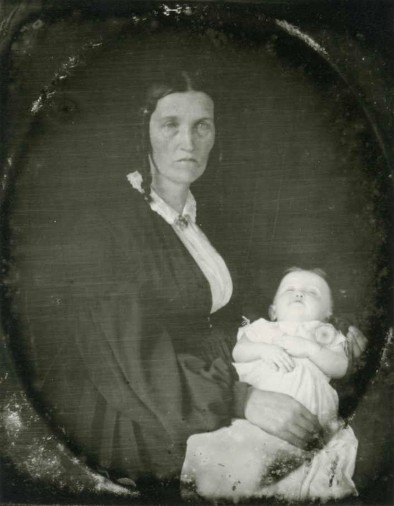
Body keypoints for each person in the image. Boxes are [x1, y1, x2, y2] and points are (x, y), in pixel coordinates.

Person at [11, 69, 366, 498]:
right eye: (170, 124)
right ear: (143, 131)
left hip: (212, 380)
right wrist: (243, 400)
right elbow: (130, 363)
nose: (189, 142)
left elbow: (249, 306)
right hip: (145, 409)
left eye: (203, 125)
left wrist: (323, 331)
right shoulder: (105, 227)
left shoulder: (203, 215)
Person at [182, 268, 358, 502]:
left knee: (296, 462)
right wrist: (264, 350)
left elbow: (340, 367)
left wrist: (311, 349)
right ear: (273, 311)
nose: (299, 294)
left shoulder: (326, 334)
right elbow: (239, 351)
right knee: (241, 452)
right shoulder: (263, 328)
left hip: (308, 411)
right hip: (261, 402)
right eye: (290, 290)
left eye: (312, 292)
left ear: (328, 313)